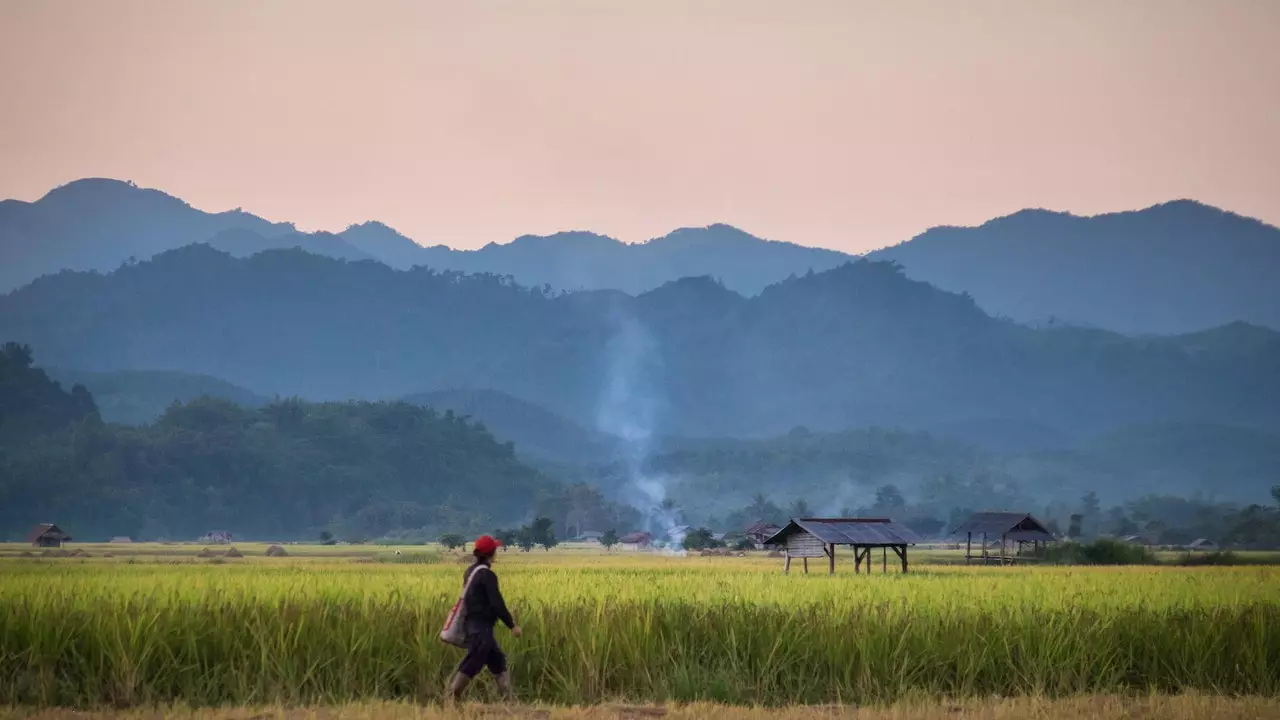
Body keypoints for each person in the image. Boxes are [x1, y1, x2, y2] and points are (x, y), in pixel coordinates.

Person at [447, 534, 522, 704]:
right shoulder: (487, 575)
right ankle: (452, 695)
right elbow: (497, 604)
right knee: (474, 660)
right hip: (481, 628)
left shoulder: (470, 572)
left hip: (475, 626)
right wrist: (512, 626)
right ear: (492, 553)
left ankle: (509, 701)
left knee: (498, 661)